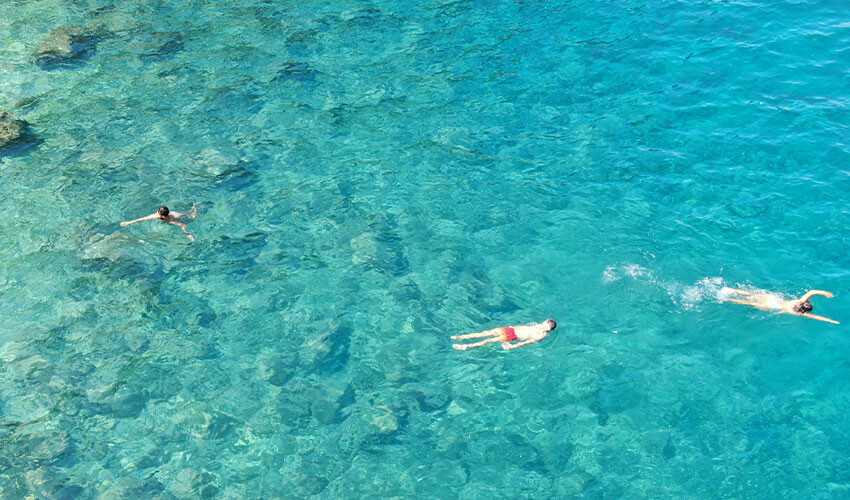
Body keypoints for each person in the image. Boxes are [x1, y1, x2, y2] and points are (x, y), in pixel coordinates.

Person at [720, 286, 839, 324]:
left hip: (773, 300)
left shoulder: (798, 301)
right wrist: (830, 320)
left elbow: (812, 292)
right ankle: (729, 299)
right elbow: (815, 317)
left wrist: (824, 293)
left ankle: (732, 290)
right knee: (749, 303)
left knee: (752, 294)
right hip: (773, 307)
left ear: (804, 303)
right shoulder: (798, 312)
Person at [452, 319, 557, 351]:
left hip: (512, 337)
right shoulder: (537, 324)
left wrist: (514, 346)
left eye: (545, 324)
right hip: (510, 330)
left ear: (548, 328)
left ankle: (467, 346)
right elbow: (524, 325)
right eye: (544, 322)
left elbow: (528, 342)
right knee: (485, 333)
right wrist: (513, 326)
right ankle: (462, 337)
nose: (543, 323)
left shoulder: (541, 335)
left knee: (488, 340)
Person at [120, 204, 197, 241]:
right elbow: (143, 218)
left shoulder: (171, 220)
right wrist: (129, 222)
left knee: (192, 218)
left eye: (158, 212)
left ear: (163, 216)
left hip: (180, 217)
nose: (156, 213)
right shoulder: (156, 215)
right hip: (175, 214)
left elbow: (182, 225)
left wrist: (188, 234)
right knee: (187, 213)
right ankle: (192, 208)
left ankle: (195, 209)